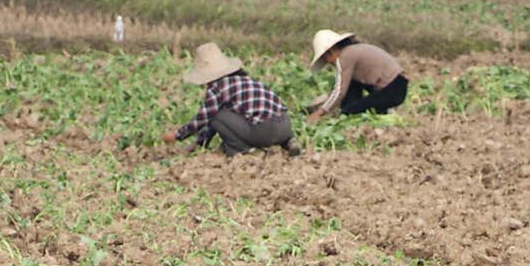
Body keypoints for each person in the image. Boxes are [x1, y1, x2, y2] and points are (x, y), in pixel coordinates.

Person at [162, 42, 301, 157]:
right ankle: (289, 143)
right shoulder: (245, 80)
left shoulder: (218, 87)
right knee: (229, 115)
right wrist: (199, 143)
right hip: (285, 126)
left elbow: (204, 119)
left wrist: (177, 135)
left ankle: (247, 151)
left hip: (264, 131)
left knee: (217, 115)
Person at [308, 30, 408, 120]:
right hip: (397, 85)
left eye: (326, 59)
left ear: (330, 51)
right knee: (352, 89)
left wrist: (320, 112)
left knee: (351, 113)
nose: (329, 63)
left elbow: (339, 91)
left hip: (393, 89)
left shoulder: (345, 57)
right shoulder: (352, 51)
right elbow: (343, 86)